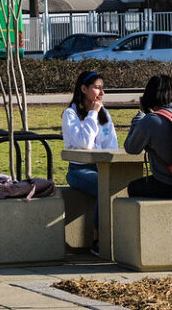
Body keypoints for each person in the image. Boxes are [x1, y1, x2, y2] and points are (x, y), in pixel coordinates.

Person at [61, 70, 118, 256]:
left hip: (101, 168)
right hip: (79, 170)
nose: (101, 93)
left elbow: (112, 145)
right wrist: (92, 114)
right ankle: (97, 240)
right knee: (104, 186)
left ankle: (119, 237)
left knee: (118, 184)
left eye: (102, 89)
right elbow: (84, 144)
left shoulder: (105, 114)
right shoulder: (70, 114)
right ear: (83, 89)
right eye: (96, 88)